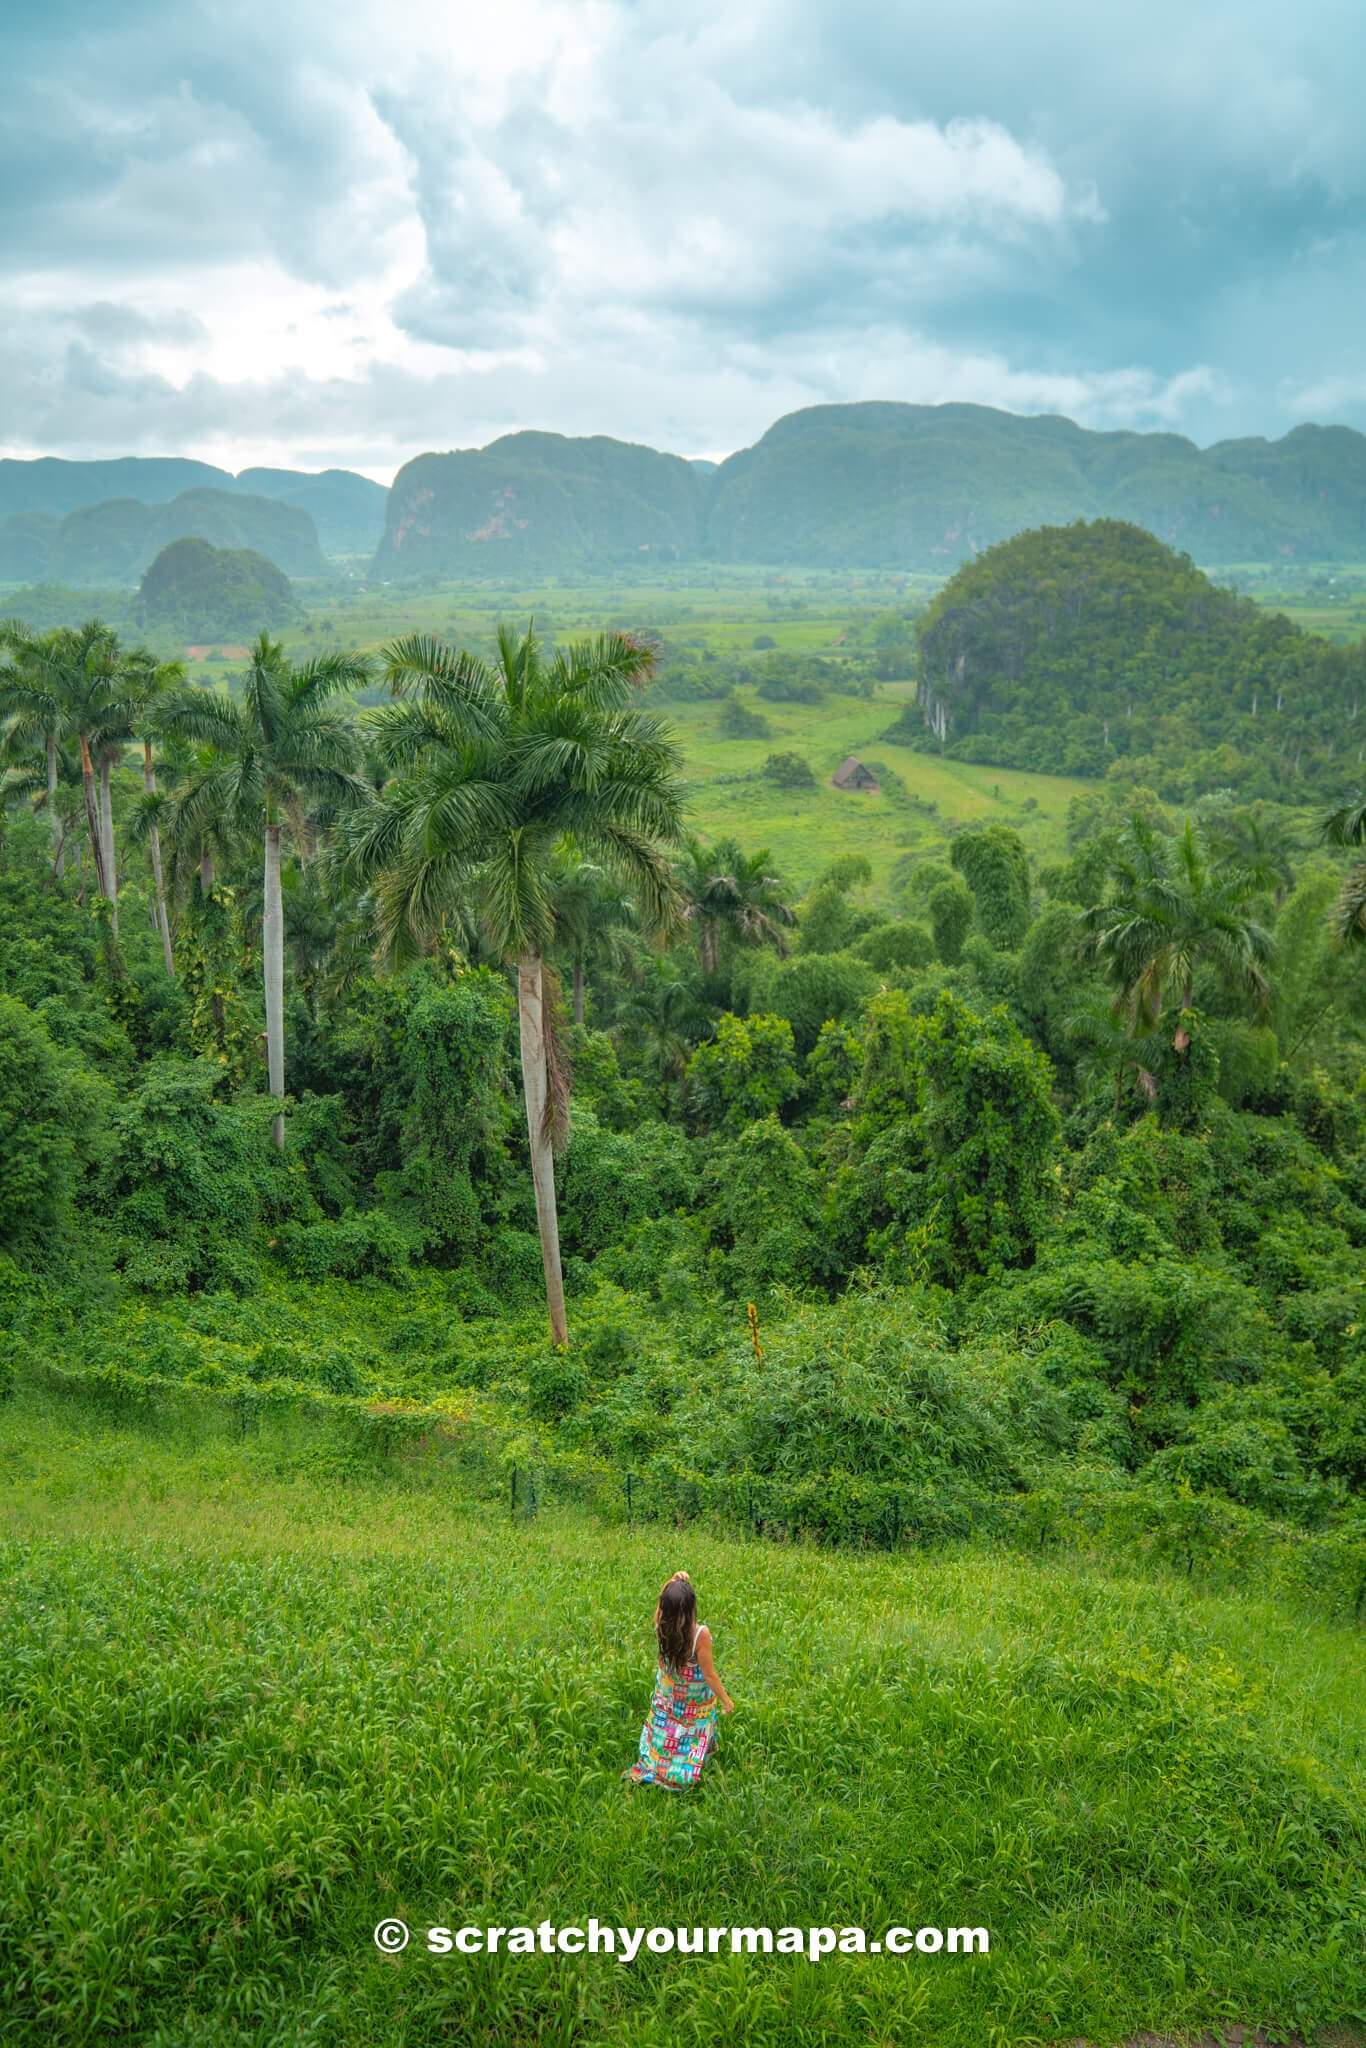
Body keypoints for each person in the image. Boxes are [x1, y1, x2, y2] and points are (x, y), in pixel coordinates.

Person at [626, 1570, 734, 1789]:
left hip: (668, 1693)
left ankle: (659, 1761)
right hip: (694, 1699)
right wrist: (725, 1700)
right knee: (693, 1727)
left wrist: (671, 1582)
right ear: (690, 1609)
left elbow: (661, 1602)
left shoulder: (660, 1623)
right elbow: (709, 1674)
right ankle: (684, 1768)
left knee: (666, 1725)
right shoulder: (699, 1635)